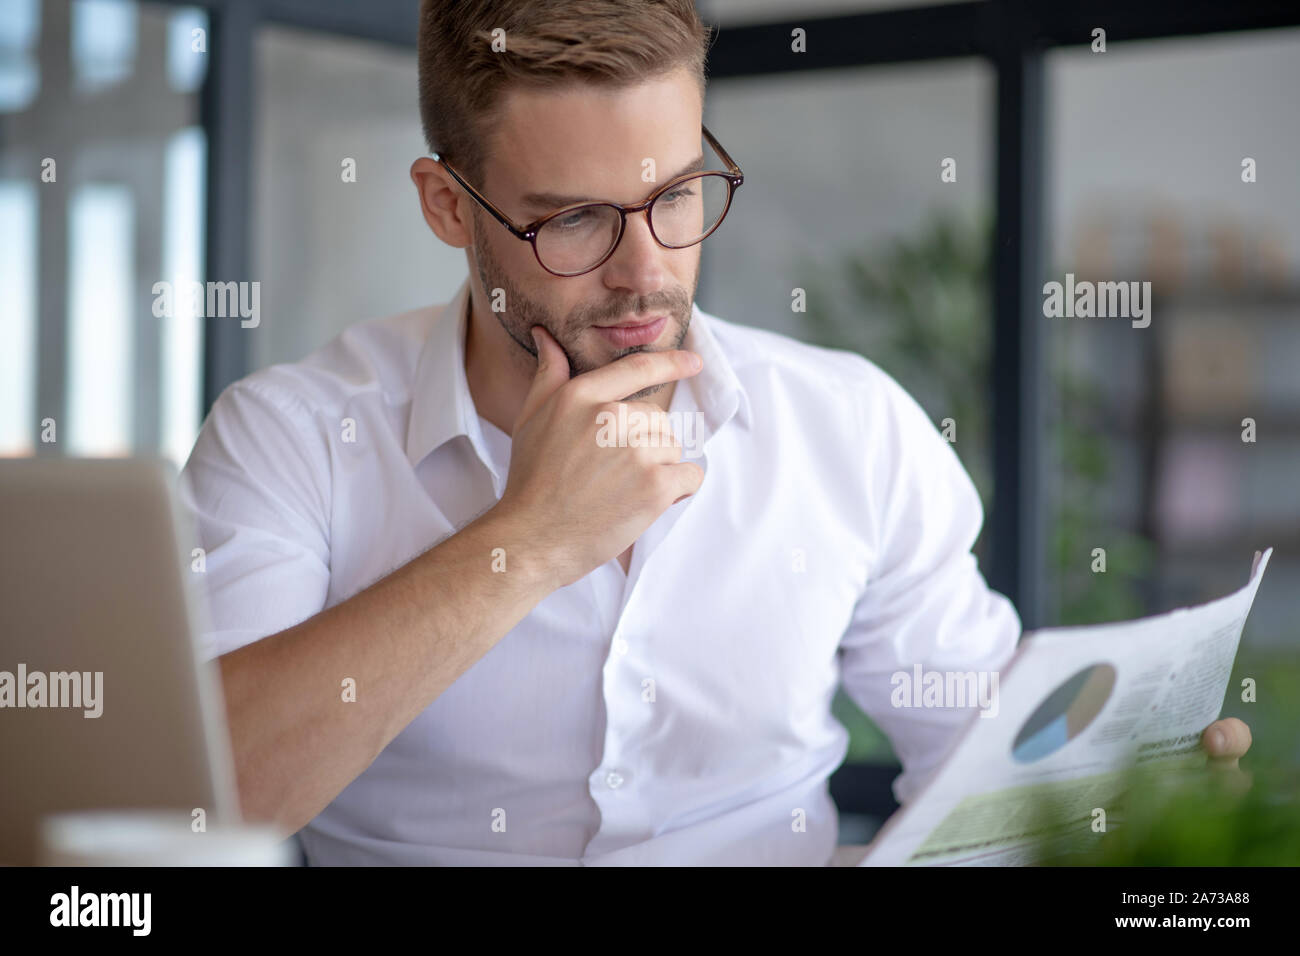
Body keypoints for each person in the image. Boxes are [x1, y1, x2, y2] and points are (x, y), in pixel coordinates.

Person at [178, 0, 1251, 866]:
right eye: (574, 219)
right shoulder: (293, 437)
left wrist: (1136, 790)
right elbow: (208, 800)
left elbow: (991, 767)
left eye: (680, 193)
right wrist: (531, 542)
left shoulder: (847, 428)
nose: (648, 270)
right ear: (447, 207)